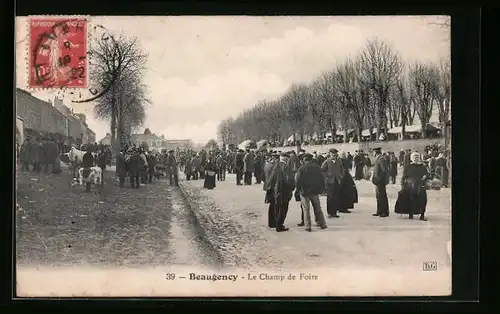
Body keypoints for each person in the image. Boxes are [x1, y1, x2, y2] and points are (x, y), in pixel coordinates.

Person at [295, 153, 327, 232]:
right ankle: (322, 224)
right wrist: (321, 189)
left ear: (304, 160)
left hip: (304, 192)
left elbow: (298, 181)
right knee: (318, 208)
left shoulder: (301, 168)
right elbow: (322, 178)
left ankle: (308, 226)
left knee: (306, 209)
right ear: (311, 159)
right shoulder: (317, 167)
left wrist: (297, 190)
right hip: (315, 192)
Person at [395, 152, 429, 221]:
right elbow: (404, 177)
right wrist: (402, 185)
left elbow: (427, 174)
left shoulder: (422, 166)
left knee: (422, 200)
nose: (416, 159)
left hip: (420, 185)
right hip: (410, 186)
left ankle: (422, 215)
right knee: (411, 200)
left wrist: (425, 176)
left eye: (417, 157)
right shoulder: (408, 166)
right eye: (414, 157)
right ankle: (411, 214)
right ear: (412, 158)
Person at [268, 153, 295, 232]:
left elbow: (271, 178)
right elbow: (289, 179)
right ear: (286, 159)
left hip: (276, 190)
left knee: (277, 207)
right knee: (284, 208)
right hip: (284, 190)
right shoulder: (286, 167)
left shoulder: (275, 165)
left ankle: (277, 223)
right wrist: (292, 187)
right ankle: (279, 226)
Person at [321, 148, 344, 218]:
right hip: (329, 182)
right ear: (330, 154)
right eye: (332, 153)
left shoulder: (339, 161)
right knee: (330, 197)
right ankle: (330, 212)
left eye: (335, 153)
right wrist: (326, 177)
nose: (334, 154)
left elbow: (342, 169)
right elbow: (322, 171)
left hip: (337, 181)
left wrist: (341, 176)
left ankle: (334, 212)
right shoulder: (326, 162)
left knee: (336, 197)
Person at [371, 147, 390, 217]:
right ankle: (379, 211)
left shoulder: (381, 158)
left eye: (373, 152)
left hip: (380, 181)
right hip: (378, 181)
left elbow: (384, 170)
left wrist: (379, 179)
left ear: (376, 152)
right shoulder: (379, 158)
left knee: (382, 196)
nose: (373, 153)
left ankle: (384, 212)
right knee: (378, 196)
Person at [263, 152, 279, 228]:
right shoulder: (274, 167)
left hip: (268, 186)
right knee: (274, 205)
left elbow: (263, 176)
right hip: (273, 187)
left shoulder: (267, 165)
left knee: (272, 205)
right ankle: (273, 222)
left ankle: (271, 222)